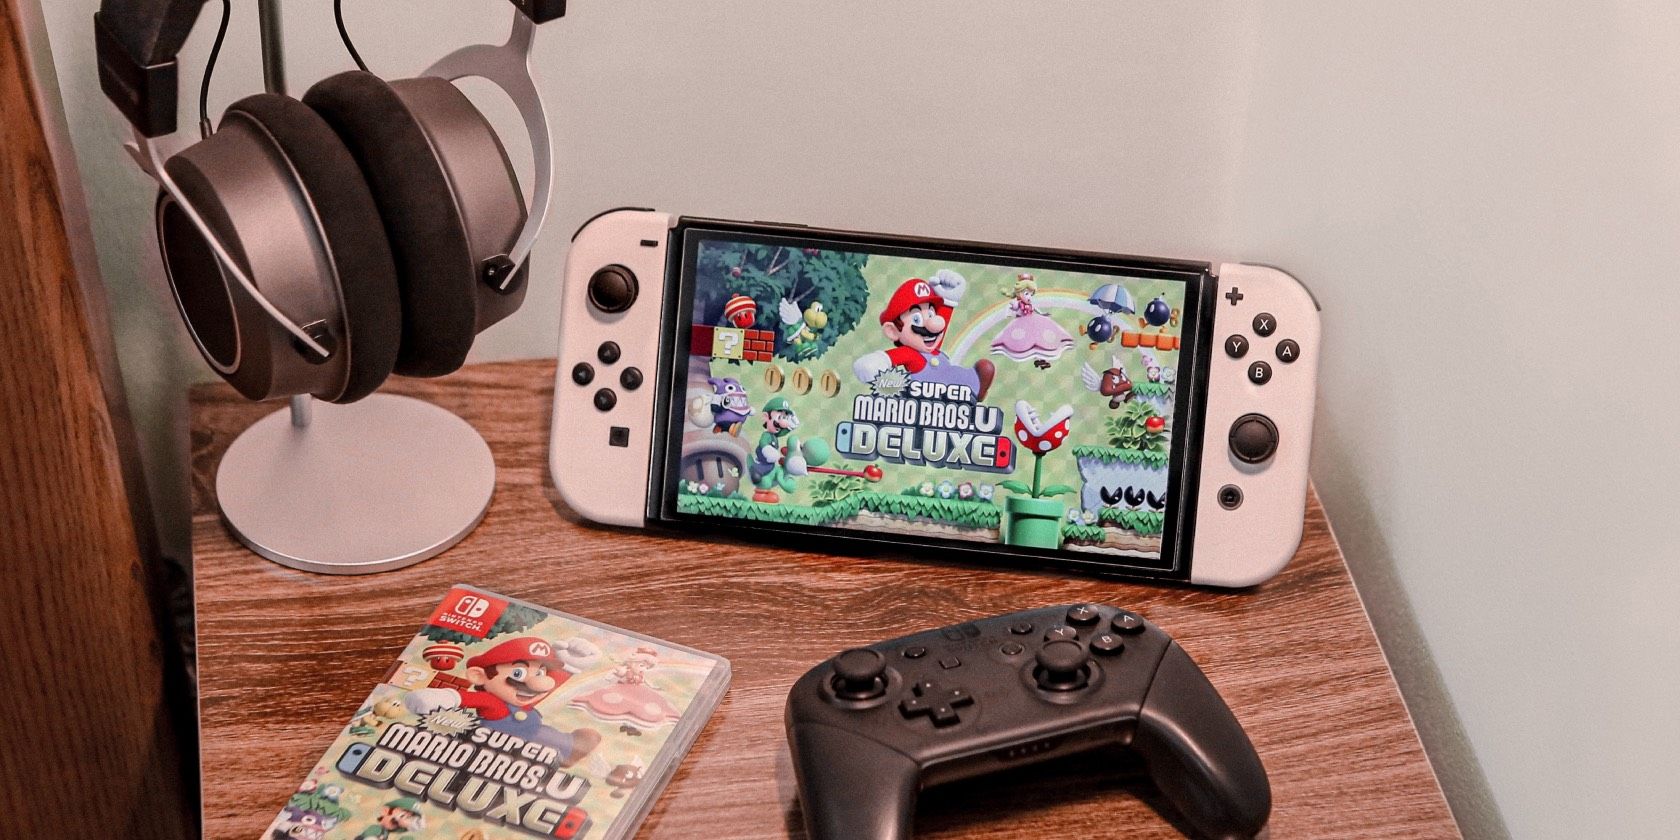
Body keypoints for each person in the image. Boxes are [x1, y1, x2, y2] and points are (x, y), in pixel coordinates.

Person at [989, 273, 1074, 369]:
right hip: (1021, 323)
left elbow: (1035, 309)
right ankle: (1034, 357)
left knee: (1040, 338)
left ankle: (1041, 359)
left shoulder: (1029, 303)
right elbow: (1011, 307)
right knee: (1026, 340)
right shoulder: (1017, 303)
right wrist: (1009, 312)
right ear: (1019, 293)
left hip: (1034, 321)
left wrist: (1042, 314)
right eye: (1026, 294)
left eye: (1030, 294)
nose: (1029, 297)